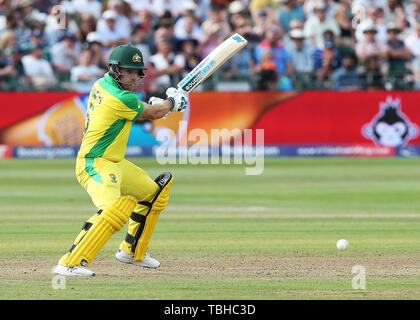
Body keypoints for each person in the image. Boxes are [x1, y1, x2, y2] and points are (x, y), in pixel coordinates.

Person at [54, 44, 188, 277]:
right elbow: (152, 113)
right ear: (115, 69)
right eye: (129, 71)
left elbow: (146, 111)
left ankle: (131, 251)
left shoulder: (101, 83)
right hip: (94, 162)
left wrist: (159, 106)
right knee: (112, 210)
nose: (134, 76)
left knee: (154, 192)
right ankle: (69, 263)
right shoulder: (120, 97)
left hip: (114, 162)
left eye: (137, 72)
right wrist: (172, 104)